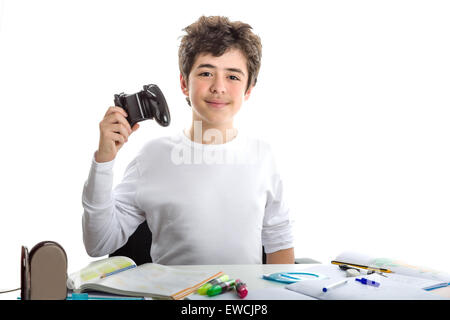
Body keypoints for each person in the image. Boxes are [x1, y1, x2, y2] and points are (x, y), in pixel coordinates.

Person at [82, 16, 295, 265]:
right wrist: (104, 160)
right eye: (206, 73)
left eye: (233, 77)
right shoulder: (152, 157)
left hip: (241, 302)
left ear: (248, 90)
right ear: (184, 83)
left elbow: (279, 244)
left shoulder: (263, 156)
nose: (218, 87)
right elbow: (98, 243)